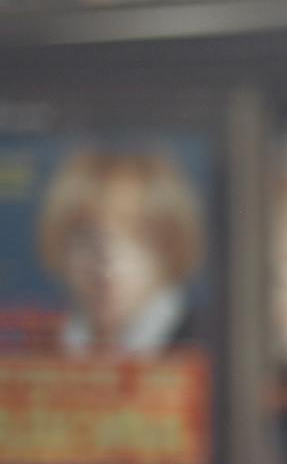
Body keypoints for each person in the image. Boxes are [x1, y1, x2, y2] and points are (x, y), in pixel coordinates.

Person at [35, 149, 205, 355]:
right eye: (87, 239)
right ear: (58, 244)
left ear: (172, 243)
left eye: (138, 236)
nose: (109, 261)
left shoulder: (216, 349)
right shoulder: (39, 351)